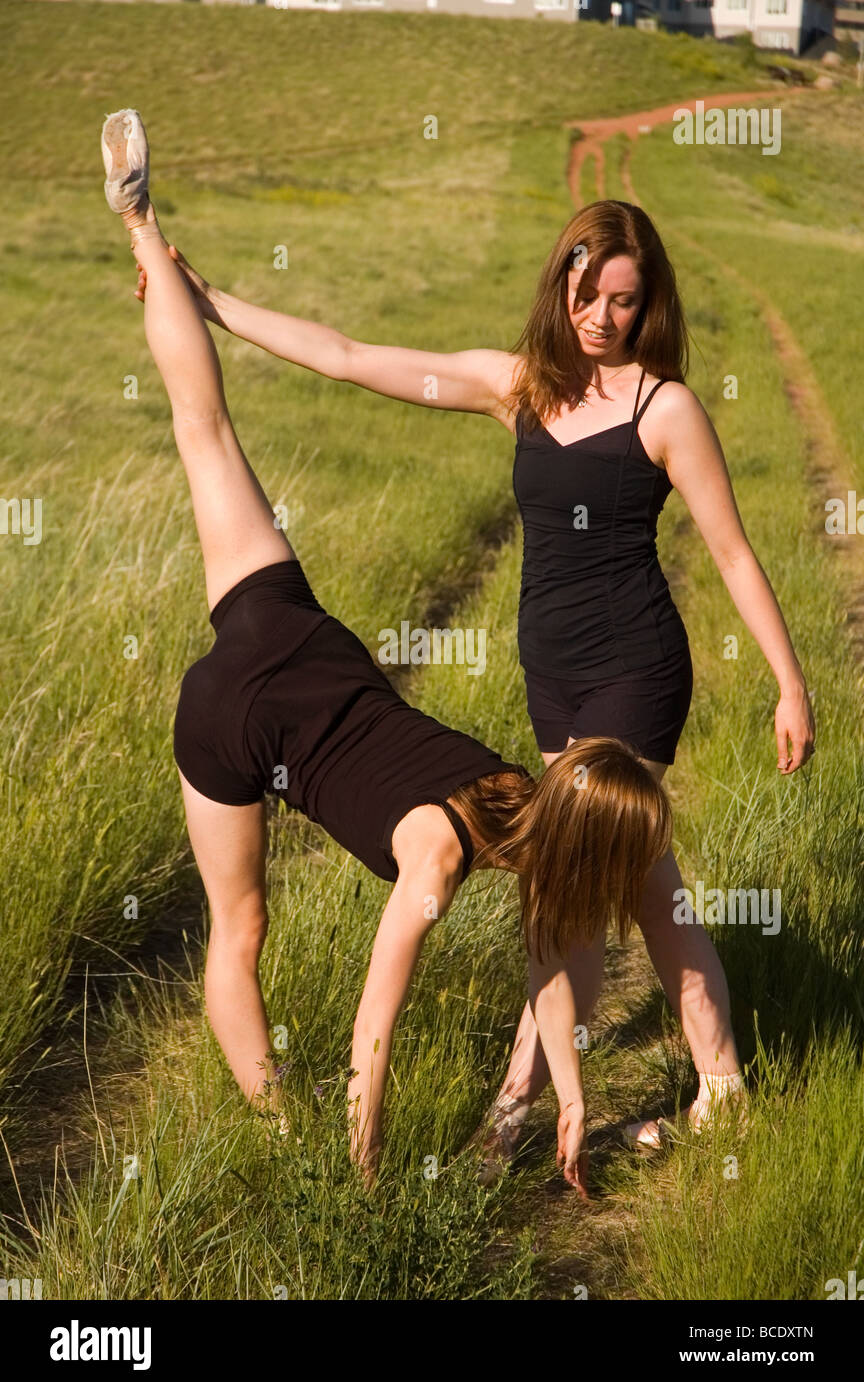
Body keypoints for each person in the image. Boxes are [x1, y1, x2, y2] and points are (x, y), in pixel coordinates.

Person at [129, 130, 812, 1170]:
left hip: (635, 668)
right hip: (555, 675)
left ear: (649, 305)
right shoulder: (519, 388)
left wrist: (787, 681)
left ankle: (580, 1095)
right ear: (562, 287)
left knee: (615, 877)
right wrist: (217, 302)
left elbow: (729, 551)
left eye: (624, 301)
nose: (602, 317)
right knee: (582, 880)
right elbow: (357, 357)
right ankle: (600, 1088)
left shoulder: (664, 408)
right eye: (587, 295)